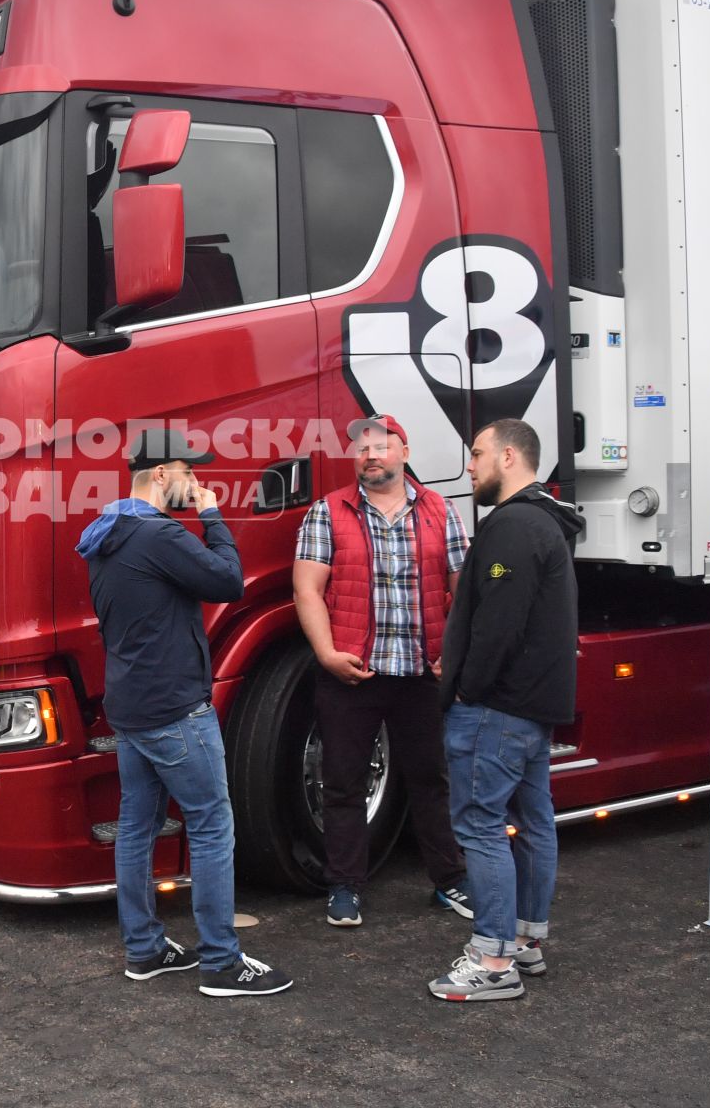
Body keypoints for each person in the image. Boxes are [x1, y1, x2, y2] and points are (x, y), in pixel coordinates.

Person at [75, 426, 293, 997]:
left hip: (131, 708)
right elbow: (225, 580)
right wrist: (214, 515)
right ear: (163, 475)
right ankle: (222, 962)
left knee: (137, 829)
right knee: (212, 824)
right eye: (190, 473)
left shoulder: (108, 532)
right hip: (174, 709)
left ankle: (144, 950)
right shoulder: (157, 535)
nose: (197, 483)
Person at [293, 414, 473, 929]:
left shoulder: (442, 511)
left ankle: (449, 880)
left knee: (432, 780)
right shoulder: (327, 513)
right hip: (353, 672)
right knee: (343, 783)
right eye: (362, 449)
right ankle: (345, 886)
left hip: (422, 673)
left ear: (404, 449)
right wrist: (327, 654)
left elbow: (465, 590)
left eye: (381, 446)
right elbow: (307, 588)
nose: (370, 455)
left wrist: (454, 654)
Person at [430, 418, 582, 1003]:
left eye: (477, 454)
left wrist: (467, 686)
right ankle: (525, 941)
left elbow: (499, 623)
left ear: (510, 457)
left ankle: (493, 960)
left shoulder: (514, 526)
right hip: (531, 708)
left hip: (496, 709)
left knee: (480, 825)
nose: (470, 466)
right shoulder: (547, 520)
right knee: (534, 819)